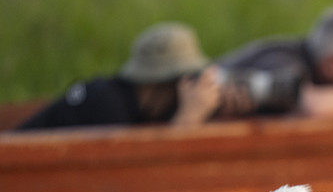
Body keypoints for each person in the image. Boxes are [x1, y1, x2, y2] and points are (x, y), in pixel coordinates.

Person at [16, 22, 221, 130]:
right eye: (188, 81)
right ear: (166, 83)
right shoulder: (107, 107)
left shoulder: (120, 100)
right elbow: (142, 174)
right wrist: (188, 117)